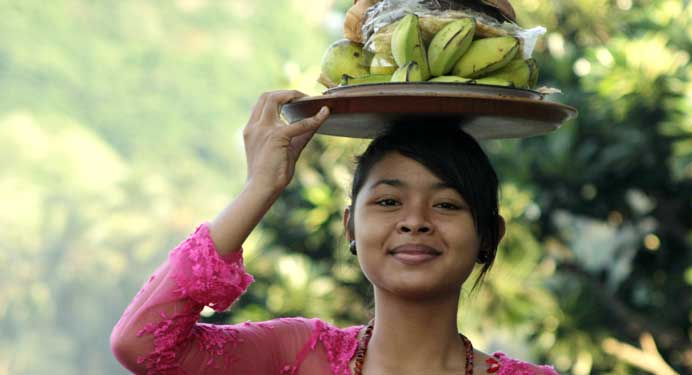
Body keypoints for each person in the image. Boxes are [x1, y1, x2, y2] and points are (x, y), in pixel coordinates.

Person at [110, 90, 559, 375]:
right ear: (350, 225)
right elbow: (145, 347)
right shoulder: (298, 354)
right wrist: (261, 188)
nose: (415, 220)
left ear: (489, 236)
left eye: (446, 204)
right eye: (388, 201)